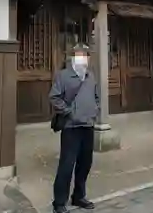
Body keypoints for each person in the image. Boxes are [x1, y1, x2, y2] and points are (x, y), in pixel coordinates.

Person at [49, 43, 100, 213]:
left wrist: (95, 111)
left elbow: (96, 96)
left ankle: (79, 196)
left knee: (85, 164)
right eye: (79, 54)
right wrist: (68, 112)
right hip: (71, 128)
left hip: (88, 126)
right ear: (72, 57)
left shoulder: (90, 75)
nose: (82, 57)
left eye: (85, 54)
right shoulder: (63, 76)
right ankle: (59, 202)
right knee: (67, 165)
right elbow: (54, 97)